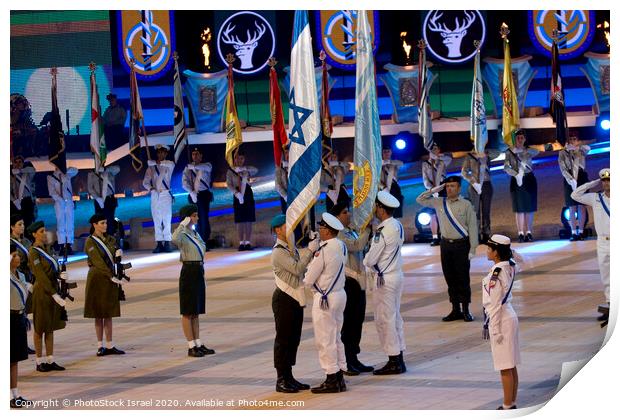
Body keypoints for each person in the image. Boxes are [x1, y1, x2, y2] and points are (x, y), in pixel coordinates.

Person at [416, 175, 478, 322]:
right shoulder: (439, 202)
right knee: (450, 278)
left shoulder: (466, 204)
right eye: (448, 186)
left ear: (459, 188)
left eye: (453, 186)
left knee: (463, 278)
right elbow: (420, 200)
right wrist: (434, 190)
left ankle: (466, 310)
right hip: (446, 245)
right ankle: (455, 309)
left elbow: (473, 227)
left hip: (461, 245)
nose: (450, 189)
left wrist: (473, 249)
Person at [270, 214, 318, 393]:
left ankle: (289, 376)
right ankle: (281, 378)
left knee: (293, 339)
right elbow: (298, 268)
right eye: (285, 226)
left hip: (295, 298)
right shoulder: (278, 252)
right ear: (277, 230)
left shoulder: (291, 249)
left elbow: (302, 268)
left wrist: (311, 248)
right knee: (283, 339)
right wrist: (310, 251)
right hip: (284, 299)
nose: (289, 228)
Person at [303, 213, 348, 393]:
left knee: (324, 339)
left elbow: (309, 278)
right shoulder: (341, 245)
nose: (319, 231)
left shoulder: (324, 250)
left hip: (325, 298)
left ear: (328, 231)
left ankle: (331, 378)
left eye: (321, 228)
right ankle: (339, 376)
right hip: (339, 294)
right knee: (336, 336)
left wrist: (312, 253)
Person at [363, 191, 406, 375]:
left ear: (381, 209)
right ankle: (399, 355)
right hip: (396, 275)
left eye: (376, 206)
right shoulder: (397, 225)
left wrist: (365, 261)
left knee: (385, 318)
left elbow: (371, 258)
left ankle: (393, 359)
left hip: (385, 279)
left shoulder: (382, 231)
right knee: (395, 317)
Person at [329, 202, 374, 375]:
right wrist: (367, 230)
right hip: (349, 282)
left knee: (357, 322)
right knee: (348, 323)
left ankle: (354, 357)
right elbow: (357, 246)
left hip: (359, 282)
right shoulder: (339, 235)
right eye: (345, 212)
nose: (349, 215)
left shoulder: (351, 231)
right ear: (337, 217)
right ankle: (346, 360)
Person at [482, 234, 521, 410]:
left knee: (505, 366)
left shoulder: (496, 274)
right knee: (511, 364)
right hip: (509, 316)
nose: (486, 251)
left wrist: (495, 330)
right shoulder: (510, 266)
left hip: (501, 319)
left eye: (489, 248)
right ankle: (511, 402)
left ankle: (507, 406)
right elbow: (519, 259)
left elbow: (495, 305)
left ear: (496, 252)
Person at [171, 204, 215, 357]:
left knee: (196, 311)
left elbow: (202, 248)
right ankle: (190, 346)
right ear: (187, 217)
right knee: (188, 311)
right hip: (188, 270)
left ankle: (198, 342)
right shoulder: (183, 233)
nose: (197, 218)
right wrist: (182, 224)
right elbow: (174, 239)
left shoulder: (194, 233)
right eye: (194, 215)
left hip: (198, 270)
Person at [83, 214, 126, 357]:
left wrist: (119, 255)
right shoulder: (90, 241)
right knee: (98, 313)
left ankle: (110, 344)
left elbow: (114, 257)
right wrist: (111, 275)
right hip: (97, 278)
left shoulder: (111, 239)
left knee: (108, 312)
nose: (105, 225)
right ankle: (99, 345)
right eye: (102, 223)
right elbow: (97, 261)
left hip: (110, 278)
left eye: (106, 223)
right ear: (94, 225)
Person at [571, 168, 610, 322]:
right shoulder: (596, 198)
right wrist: (591, 184)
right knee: (606, 275)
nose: (607, 183)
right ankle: (610, 305)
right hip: (602, 241)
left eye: (609, 180)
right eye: (604, 180)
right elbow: (574, 195)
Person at [27, 221, 66, 372]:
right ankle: (39, 361)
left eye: (44, 230)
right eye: (41, 231)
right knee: (40, 327)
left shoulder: (47, 249)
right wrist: (53, 293)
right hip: (42, 292)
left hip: (51, 290)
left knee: (50, 326)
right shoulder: (34, 252)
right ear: (34, 234)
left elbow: (51, 269)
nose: (44, 233)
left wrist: (60, 275)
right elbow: (40, 275)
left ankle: (50, 360)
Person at [504, 129, 539, 242]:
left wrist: (522, 150)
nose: (520, 140)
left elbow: (537, 151)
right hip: (516, 179)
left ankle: (528, 232)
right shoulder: (509, 152)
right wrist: (515, 174)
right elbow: (506, 167)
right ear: (515, 139)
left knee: (529, 207)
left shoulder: (528, 150)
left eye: (522, 138)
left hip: (529, 178)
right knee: (519, 208)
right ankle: (520, 233)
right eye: (518, 138)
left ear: (524, 139)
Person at [461, 149, 499, 243]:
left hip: (486, 184)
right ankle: (476, 234)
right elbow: (464, 172)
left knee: (486, 211)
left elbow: (497, 152)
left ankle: (486, 233)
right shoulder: (470, 156)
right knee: (475, 211)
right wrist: (473, 182)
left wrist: (487, 152)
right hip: (474, 186)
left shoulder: (487, 154)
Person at [559, 131, 591, 241]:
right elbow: (562, 168)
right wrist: (570, 179)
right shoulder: (563, 153)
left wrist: (576, 148)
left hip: (581, 177)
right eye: (570, 139)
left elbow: (588, 149)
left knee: (581, 206)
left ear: (577, 141)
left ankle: (581, 232)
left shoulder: (581, 150)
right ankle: (573, 232)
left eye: (574, 139)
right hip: (569, 178)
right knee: (571, 206)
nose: (572, 141)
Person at [10, 244, 32, 408]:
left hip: (18, 318)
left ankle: (15, 394)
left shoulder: (20, 275)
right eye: (14, 255)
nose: (18, 258)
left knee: (15, 359)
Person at [143, 145, 175, 253]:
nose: (161, 154)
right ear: (157, 153)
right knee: (156, 219)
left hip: (166, 194)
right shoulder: (151, 168)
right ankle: (159, 243)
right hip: (155, 194)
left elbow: (170, 164)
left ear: (166, 154)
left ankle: (167, 242)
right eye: (159, 153)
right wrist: (150, 188)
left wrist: (155, 163)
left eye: (163, 153)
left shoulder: (169, 164)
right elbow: (145, 182)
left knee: (166, 218)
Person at [182, 148, 213, 249]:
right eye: (193, 154)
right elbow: (184, 182)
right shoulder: (188, 168)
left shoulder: (206, 165)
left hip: (203, 195)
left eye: (197, 154)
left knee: (204, 218)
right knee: (194, 220)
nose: (195, 156)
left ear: (201, 156)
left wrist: (194, 166)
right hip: (193, 195)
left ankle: (205, 240)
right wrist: (191, 192)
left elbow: (207, 168)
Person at [422, 144, 452, 246]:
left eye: (436, 149)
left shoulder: (443, 161)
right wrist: (432, 190)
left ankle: (445, 235)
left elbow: (449, 158)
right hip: (430, 190)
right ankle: (435, 237)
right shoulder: (425, 164)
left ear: (439, 150)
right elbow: (425, 179)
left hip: (443, 189)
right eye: (432, 149)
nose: (434, 151)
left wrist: (438, 157)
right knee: (433, 215)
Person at [226, 152, 258, 251]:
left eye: (241, 158)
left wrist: (244, 169)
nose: (239, 160)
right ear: (234, 159)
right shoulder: (230, 171)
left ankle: (248, 242)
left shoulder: (247, 169)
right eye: (237, 158)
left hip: (248, 194)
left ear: (244, 159)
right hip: (237, 194)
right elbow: (229, 184)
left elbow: (256, 170)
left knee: (248, 219)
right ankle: (241, 243)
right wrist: (236, 193)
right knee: (240, 220)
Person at [47, 166, 78, 255]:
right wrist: (60, 199)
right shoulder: (51, 177)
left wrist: (65, 170)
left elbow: (75, 170)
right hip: (59, 203)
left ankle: (69, 245)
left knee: (70, 223)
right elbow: (51, 192)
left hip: (69, 203)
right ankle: (62, 245)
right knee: (61, 224)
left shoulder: (67, 174)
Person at [87, 165, 121, 236]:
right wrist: (97, 198)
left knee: (109, 220)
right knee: (100, 220)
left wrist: (106, 169)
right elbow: (90, 188)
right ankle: (102, 239)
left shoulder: (109, 171)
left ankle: (110, 239)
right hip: (99, 200)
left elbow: (117, 169)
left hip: (109, 199)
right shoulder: (92, 174)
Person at [10, 155, 37, 229]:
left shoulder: (27, 174)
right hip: (16, 203)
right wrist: (14, 200)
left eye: (20, 162)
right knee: (18, 224)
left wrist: (19, 170)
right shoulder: (10, 176)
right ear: (13, 163)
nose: (18, 164)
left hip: (27, 201)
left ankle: (28, 239)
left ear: (23, 163)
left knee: (28, 222)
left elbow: (33, 170)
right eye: (15, 162)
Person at [380, 146, 405, 218]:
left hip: (394, 187)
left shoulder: (393, 163)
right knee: (387, 209)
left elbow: (401, 163)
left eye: (388, 151)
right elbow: (376, 180)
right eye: (385, 152)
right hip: (384, 188)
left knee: (397, 207)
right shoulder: (378, 165)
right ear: (382, 153)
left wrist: (389, 162)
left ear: (391, 152)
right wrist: (383, 187)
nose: (387, 153)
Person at [275, 148, 289, 213]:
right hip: (285, 197)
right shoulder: (279, 169)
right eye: (286, 153)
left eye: (289, 152)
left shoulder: (296, 166)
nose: (288, 154)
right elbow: (277, 185)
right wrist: (285, 196)